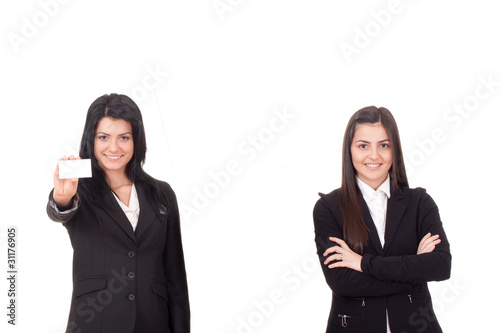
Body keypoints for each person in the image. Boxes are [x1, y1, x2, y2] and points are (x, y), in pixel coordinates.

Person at [46, 93, 190, 333]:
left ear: (137, 140)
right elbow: (60, 210)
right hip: (96, 321)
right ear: (91, 140)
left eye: (124, 137)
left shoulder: (162, 193)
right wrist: (61, 197)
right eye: (103, 137)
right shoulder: (78, 189)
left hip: (153, 323)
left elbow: (175, 279)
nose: (114, 147)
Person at [313, 106, 451, 333]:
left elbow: (440, 266)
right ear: (349, 150)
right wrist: (414, 267)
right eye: (363, 145)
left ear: (394, 150)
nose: (374, 156)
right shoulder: (328, 208)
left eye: (384, 145)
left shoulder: (420, 202)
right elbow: (342, 282)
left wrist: (361, 263)